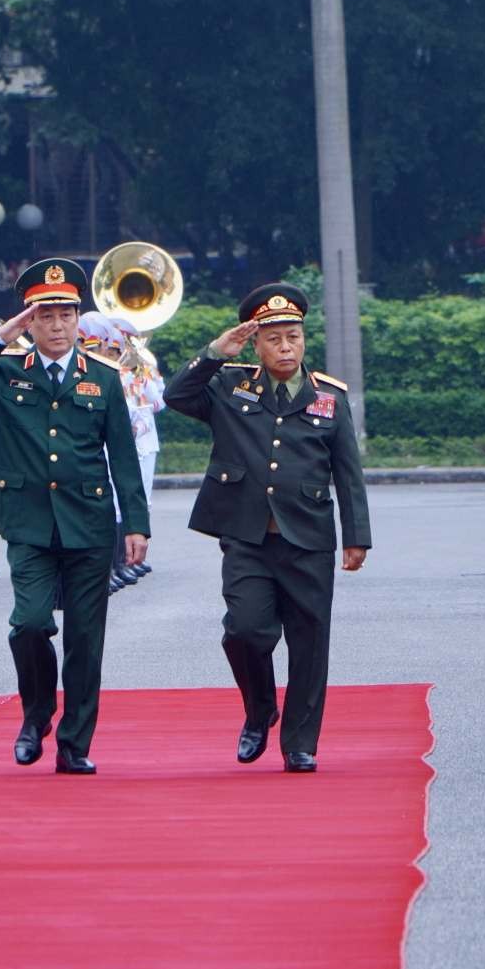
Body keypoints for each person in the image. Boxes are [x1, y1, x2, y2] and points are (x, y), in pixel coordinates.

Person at [0, 257, 150, 775]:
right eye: (45, 315)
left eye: (66, 315)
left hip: (89, 522)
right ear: (29, 321)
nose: (57, 326)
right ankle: (36, 715)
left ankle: (75, 743)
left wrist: (137, 523)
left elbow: (122, 454)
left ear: (79, 319)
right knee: (30, 624)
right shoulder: (5, 371)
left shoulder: (101, 378)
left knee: (84, 638)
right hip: (28, 521)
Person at [164, 282, 371, 772]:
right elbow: (176, 395)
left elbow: (349, 474)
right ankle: (259, 709)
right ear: (256, 343)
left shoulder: (329, 399)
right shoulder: (230, 387)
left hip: (308, 539)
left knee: (308, 643)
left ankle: (300, 743)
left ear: (303, 340)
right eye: (274, 338)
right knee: (244, 631)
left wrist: (357, 536)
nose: (285, 347)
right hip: (247, 536)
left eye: (293, 337)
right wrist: (216, 352)